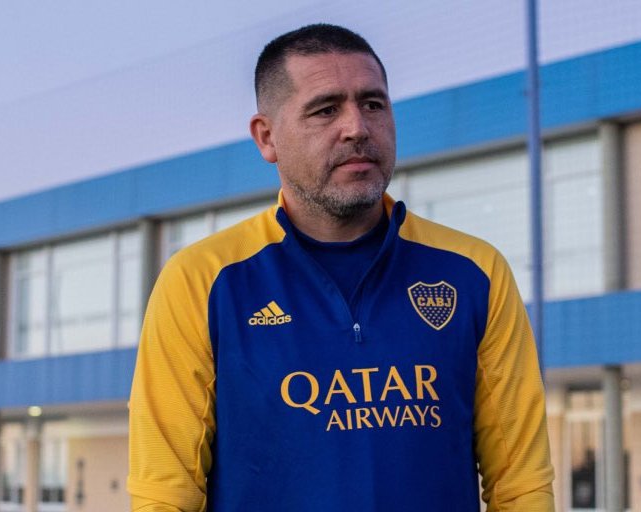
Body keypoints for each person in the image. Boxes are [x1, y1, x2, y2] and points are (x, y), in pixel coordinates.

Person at [127, 23, 554, 511]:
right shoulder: (202, 281)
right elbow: (165, 496)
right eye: (326, 109)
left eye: (373, 104)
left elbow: (521, 485)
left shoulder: (474, 271)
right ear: (267, 137)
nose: (357, 127)